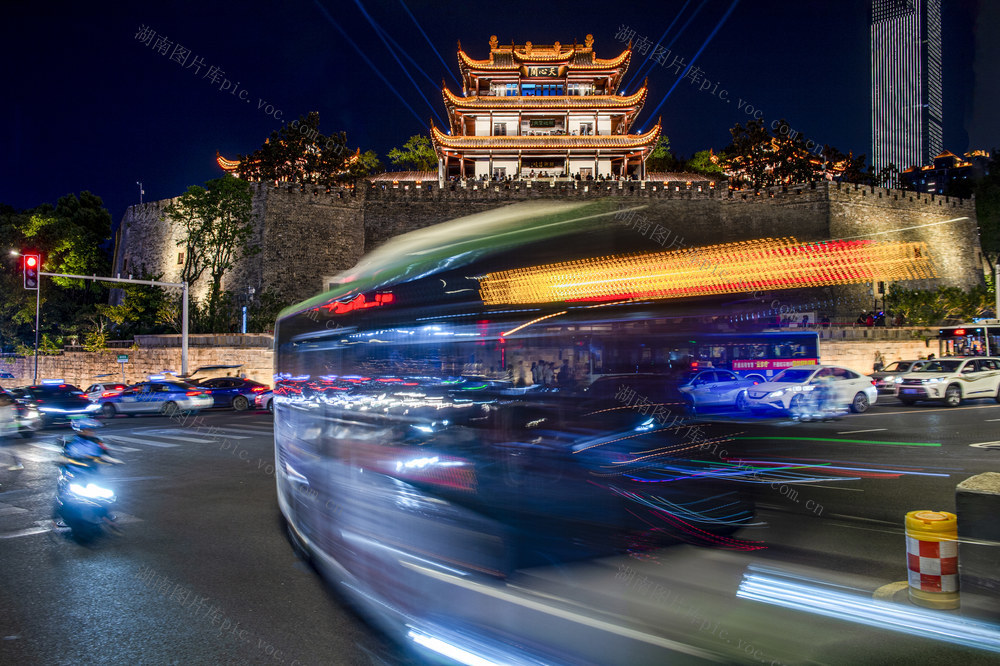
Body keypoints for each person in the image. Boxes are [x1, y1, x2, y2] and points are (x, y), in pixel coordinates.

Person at [0, 393, 23, 471]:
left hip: (6, 432)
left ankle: (18, 464)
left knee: (8, 449)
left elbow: (6, 419)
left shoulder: (9, 408)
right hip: (3, 432)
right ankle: (18, 463)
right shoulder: (3, 407)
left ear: (4, 400)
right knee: (8, 449)